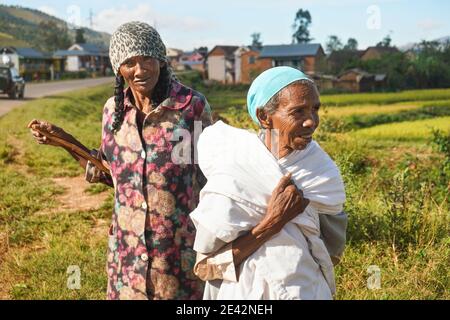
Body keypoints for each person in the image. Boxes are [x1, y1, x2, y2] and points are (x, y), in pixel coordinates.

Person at [28, 21, 212, 300]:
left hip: (176, 257)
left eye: (147, 59)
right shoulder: (113, 111)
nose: (140, 70)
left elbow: (212, 176)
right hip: (127, 258)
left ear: (160, 59)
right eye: (129, 62)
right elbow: (112, 175)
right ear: (118, 68)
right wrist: (64, 140)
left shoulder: (191, 107)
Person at [191, 66, 347, 300]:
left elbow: (331, 252)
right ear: (265, 117)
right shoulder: (233, 173)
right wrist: (273, 223)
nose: (311, 122)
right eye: (298, 112)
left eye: (315, 109)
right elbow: (207, 267)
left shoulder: (322, 174)